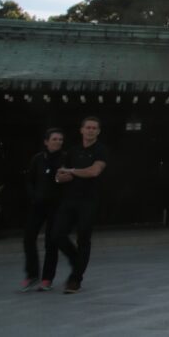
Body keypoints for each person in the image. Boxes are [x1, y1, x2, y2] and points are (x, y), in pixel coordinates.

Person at [53, 116, 109, 294]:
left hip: (89, 200)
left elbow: (94, 171)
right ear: (81, 130)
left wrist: (71, 172)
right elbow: (61, 176)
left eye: (94, 128)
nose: (91, 130)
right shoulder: (73, 151)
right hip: (70, 199)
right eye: (88, 127)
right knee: (56, 235)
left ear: (98, 132)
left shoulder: (101, 150)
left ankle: (75, 279)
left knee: (83, 238)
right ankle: (77, 260)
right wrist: (62, 175)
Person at [22, 127, 65, 292]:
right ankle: (32, 274)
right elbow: (29, 180)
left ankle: (47, 278)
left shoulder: (65, 158)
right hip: (38, 205)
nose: (58, 142)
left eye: (60, 139)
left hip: (57, 206)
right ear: (46, 142)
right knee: (28, 238)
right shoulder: (38, 159)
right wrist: (33, 196)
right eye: (55, 139)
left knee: (51, 242)